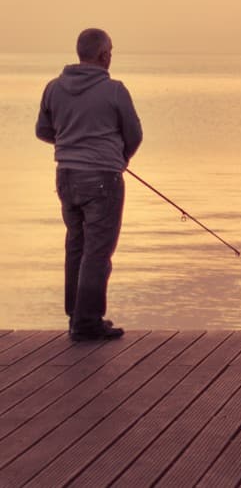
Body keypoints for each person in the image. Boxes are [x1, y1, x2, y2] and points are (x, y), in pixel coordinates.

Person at [35, 28, 142, 341]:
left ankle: (76, 317)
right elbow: (134, 134)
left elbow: (43, 130)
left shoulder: (53, 88)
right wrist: (119, 157)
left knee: (76, 246)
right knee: (97, 252)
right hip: (103, 179)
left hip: (66, 176)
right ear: (104, 54)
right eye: (110, 51)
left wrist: (71, 141)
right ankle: (88, 322)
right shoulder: (115, 90)